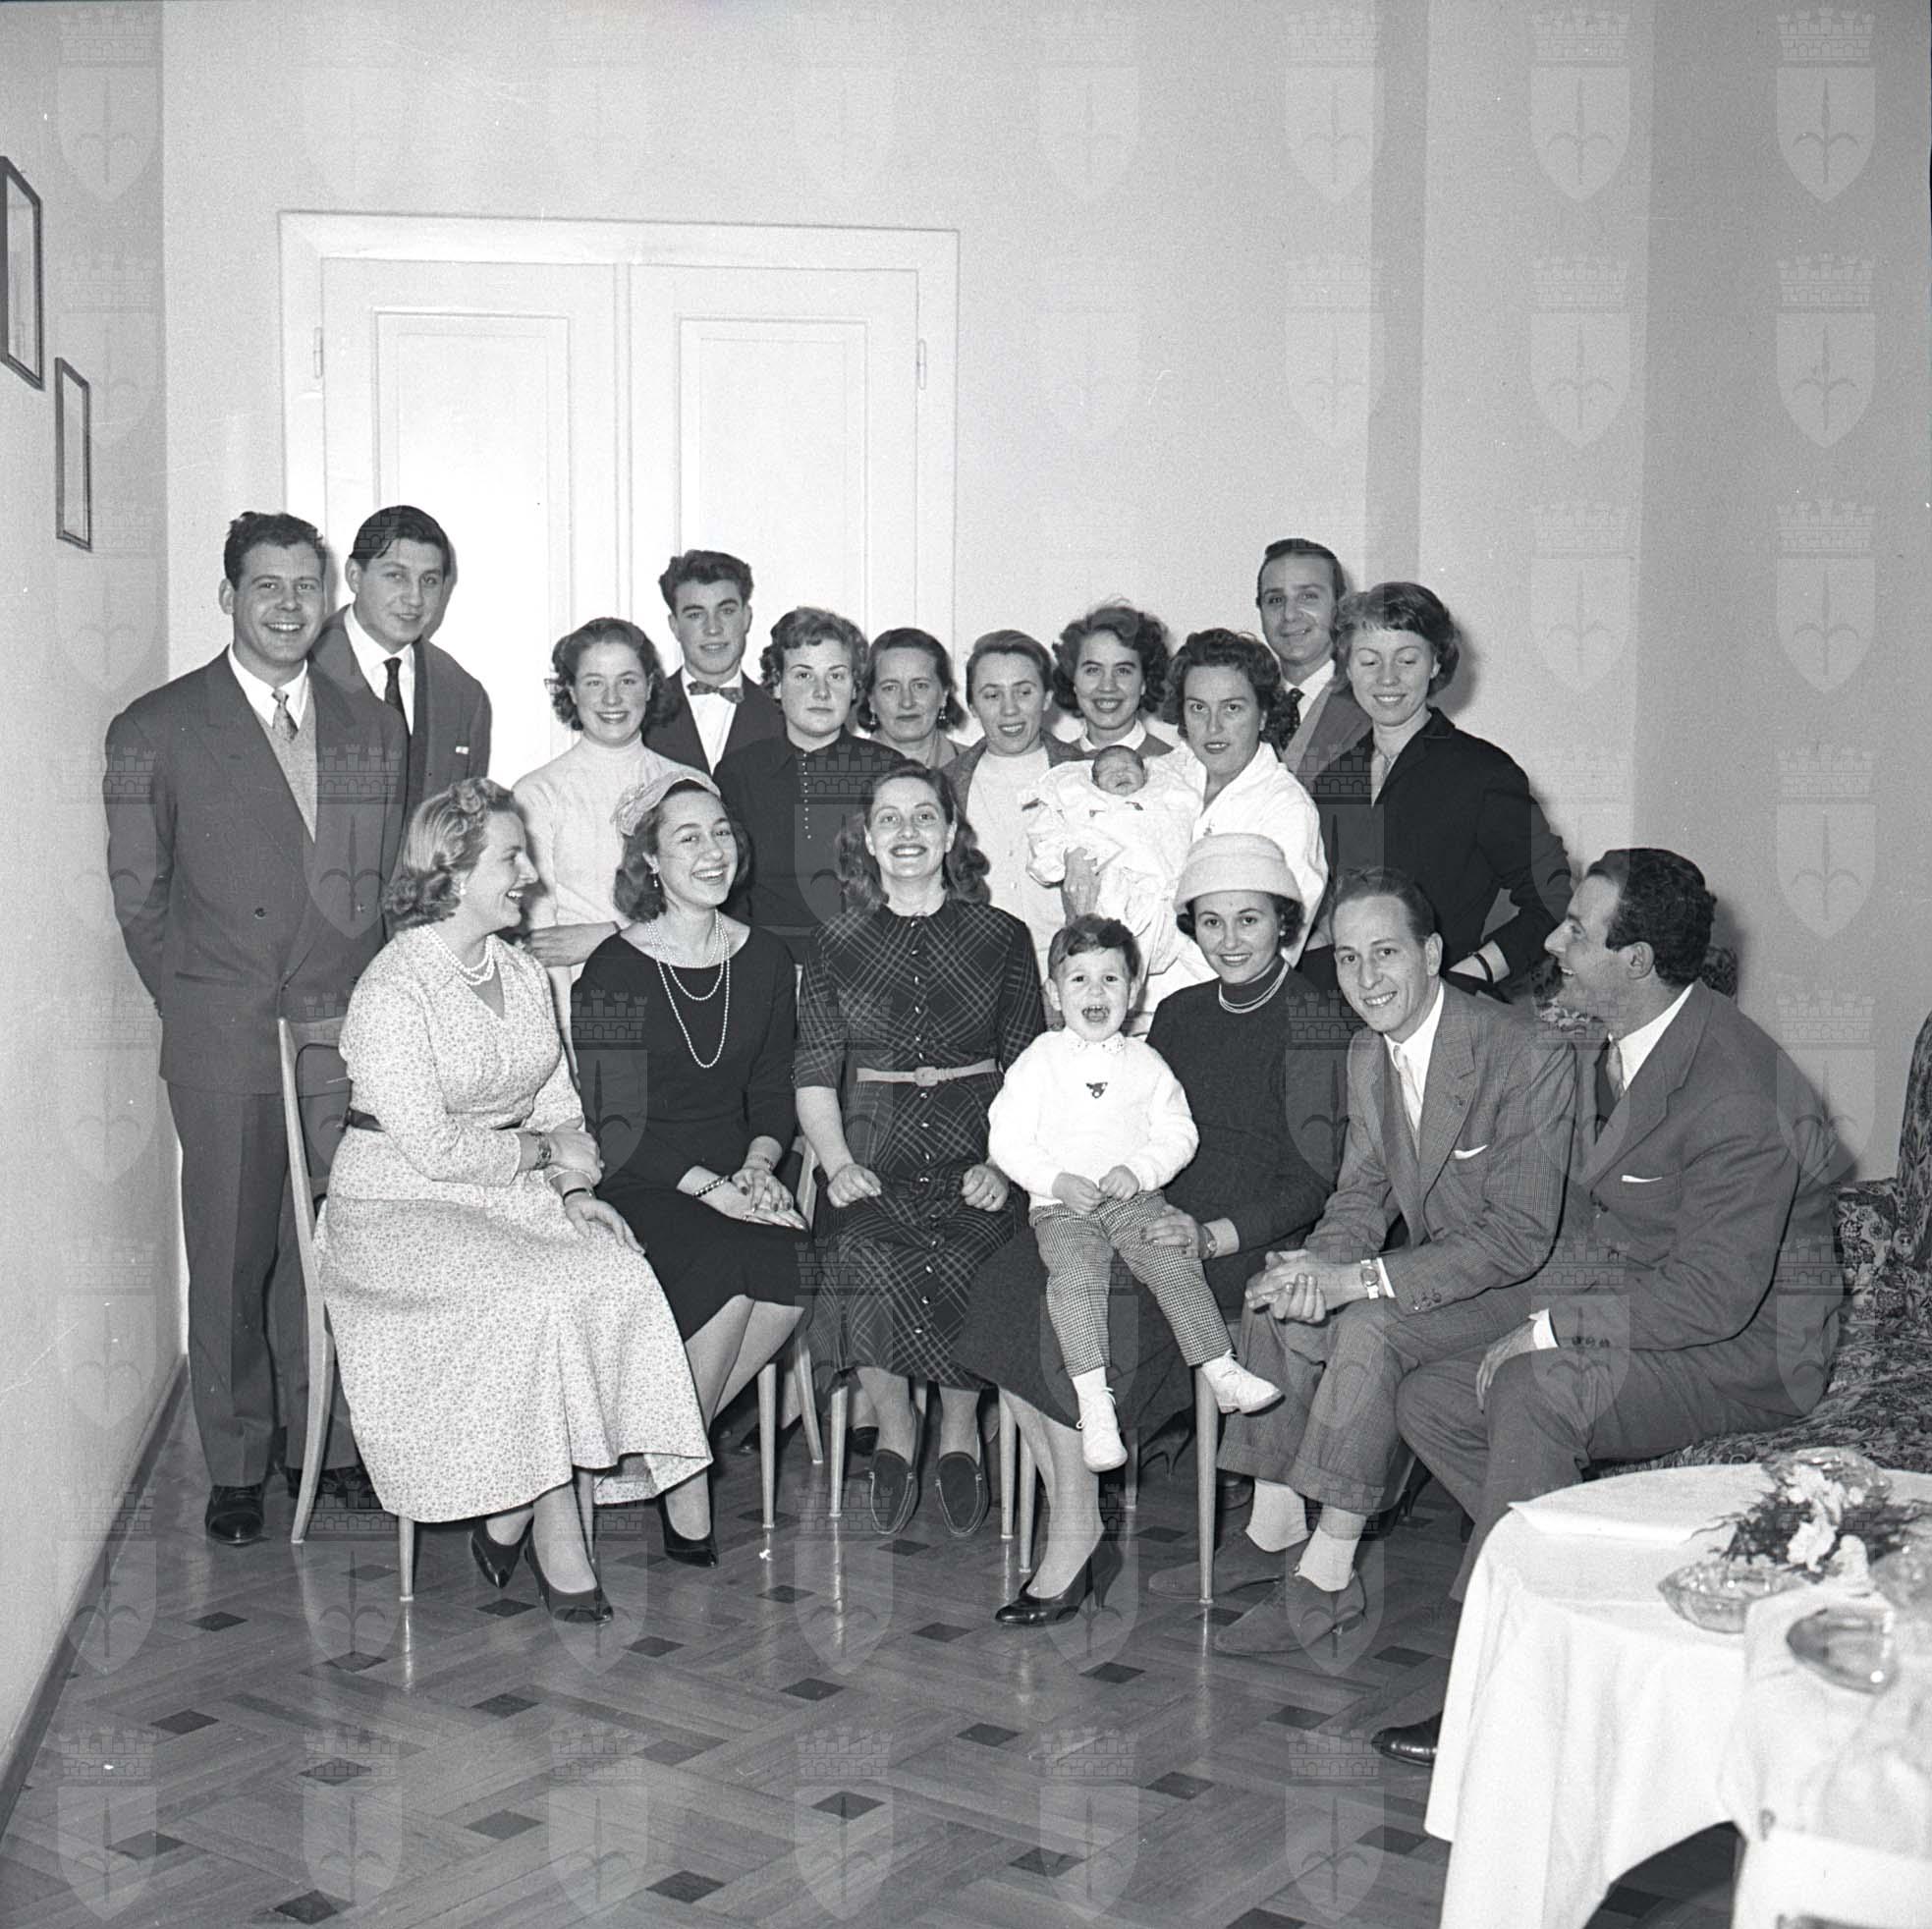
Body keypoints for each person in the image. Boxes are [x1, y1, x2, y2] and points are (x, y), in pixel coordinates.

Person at [1375, 849, 1838, 1764]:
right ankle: (1583, 1606)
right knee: (1429, 1398)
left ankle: (1496, 1689)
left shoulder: (1738, 1090)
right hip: (1646, 1300)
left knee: (1535, 1389)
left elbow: (1712, 1297)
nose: (1551, 943)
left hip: (1749, 1348)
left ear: (1636, 961)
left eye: (1575, 933)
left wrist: (1551, 1327)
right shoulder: (1613, 1034)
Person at [318, 781, 710, 1623]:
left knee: (617, 1272)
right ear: (451, 873)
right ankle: (555, 1528)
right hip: (397, 1204)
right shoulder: (395, 987)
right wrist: (544, 1155)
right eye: (511, 858)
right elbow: (432, 1148)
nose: (530, 874)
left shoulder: (522, 970)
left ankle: (510, 1512)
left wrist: (574, 1190)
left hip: (510, 1193)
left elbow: (558, 1102)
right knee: (531, 1297)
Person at [103, 512, 405, 1546]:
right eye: (266, 585)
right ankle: (237, 1462)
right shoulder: (155, 725)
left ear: (329, 599)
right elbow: (139, 896)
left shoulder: (371, 725)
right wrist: (202, 998)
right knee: (232, 1254)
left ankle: (330, 1443)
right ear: (228, 596)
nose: (287, 605)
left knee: (337, 1242)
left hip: (342, 1033)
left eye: (305, 586)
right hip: (223, 1031)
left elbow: (384, 887)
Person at [955, 833, 1350, 1624]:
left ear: (1284, 921)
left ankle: (1073, 1535)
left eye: (1249, 920)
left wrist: (1210, 1236)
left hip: (1233, 1238)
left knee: (1070, 1311)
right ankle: (1081, 1516)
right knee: (1005, 1283)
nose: (1229, 940)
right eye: (1211, 921)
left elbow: (1313, 1182)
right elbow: (1120, 1114)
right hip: (1136, 1208)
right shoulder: (1180, 1011)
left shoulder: (1314, 1020)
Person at [1206, 868, 1575, 1656]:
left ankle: (1327, 1572)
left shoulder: (1524, 1050)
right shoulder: (1366, 1052)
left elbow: (1517, 1237)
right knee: (1275, 1290)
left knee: (1369, 1326)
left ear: (1431, 953)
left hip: (1535, 1286)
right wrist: (1316, 1267)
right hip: (1449, 1270)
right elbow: (1361, 1194)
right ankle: (1273, 1531)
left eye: (1385, 953)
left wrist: (1360, 1280)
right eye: (1346, 958)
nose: (1364, 977)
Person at [796, 763, 1044, 1538]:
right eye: (889, 819)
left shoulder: (1002, 936)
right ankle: (898, 1425)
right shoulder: (834, 942)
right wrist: (837, 1165)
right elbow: (813, 1075)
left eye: (924, 816)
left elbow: (1030, 1070)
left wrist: (1002, 1165)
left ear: (950, 834)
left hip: (979, 1142)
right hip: (873, 1147)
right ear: (868, 840)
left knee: (977, 1248)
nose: (907, 832)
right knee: (859, 1248)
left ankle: (961, 1430)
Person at [572, 778, 807, 1564]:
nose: (713, 852)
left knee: (794, 1263)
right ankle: (686, 1480)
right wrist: (712, 1191)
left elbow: (773, 1087)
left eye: (721, 833)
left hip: (734, 1170)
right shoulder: (611, 967)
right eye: (688, 838)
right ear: (650, 860)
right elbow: (614, 1123)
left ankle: (671, 1450)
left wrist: (760, 1166)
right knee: (731, 1257)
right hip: (645, 1175)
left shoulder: (766, 956)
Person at [987, 913, 1283, 1472]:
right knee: (1078, 1279)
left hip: (1135, 1202)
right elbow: (1006, 1139)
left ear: (1134, 990)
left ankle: (1219, 1367)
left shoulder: (1147, 1063)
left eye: (1111, 979)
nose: (1095, 993)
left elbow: (1178, 1133)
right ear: (1054, 992)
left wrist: (1140, 1170)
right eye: (1079, 980)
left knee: (1171, 1260)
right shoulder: (1038, 1061)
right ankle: (1094, 1404)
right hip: (1064, 1210)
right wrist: (1055, 1181)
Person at [1301, 581, 1572, 997]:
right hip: (1349, 1007)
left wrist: (1470, 976)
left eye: (1407, 660)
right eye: (1369, 660)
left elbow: (1553, 897)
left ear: (1435, 664)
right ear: (1348, 668)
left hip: (1443, 1008)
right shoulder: (1335, 779)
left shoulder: (1483, 773)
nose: (1387, 678)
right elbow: (1329, 911)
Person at [1120, 628, 1327, 1012]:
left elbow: (1269, 952)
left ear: (1263, 714)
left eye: (1232, 708)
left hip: (1217, 1015)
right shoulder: (1160, 775)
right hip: (1119, 1003)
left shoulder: (1286, 810)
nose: (1213, 727)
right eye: (1198, 708)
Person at [514, 618, 709, 995]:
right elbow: (544, 944)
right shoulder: (537, 794)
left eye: (627, 681)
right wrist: (567, 1025)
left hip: (680, 990)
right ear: (570, 691)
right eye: (594, 683)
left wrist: (613, 935)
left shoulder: (691, 787)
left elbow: (704, 913)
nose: (612, 699)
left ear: (650, 687)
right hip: (579, 998)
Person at [714, 608, 901, 967]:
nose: (821, 691)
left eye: (837, 675)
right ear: (776, 684)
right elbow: (727, 895)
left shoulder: (889, 772)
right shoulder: (739, 774)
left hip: (870, 967)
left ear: (855, 688)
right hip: (763, 968)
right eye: (803, 675)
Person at [311, 504, 490, 825]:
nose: (415, 598)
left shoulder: (464, 695)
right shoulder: (300, 668)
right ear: (354, 575)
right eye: (396, 576)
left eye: (429, 580)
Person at [948, 630, 1084, 976]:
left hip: (1071, 977)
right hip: (977, 978)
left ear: (1047, 697)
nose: (1009, 710)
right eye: (992, 695)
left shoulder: (1084, 774)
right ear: (973, 705)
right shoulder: (945, 785)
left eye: (1024, 692)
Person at [1021, 745, 1198, 983]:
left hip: (1164, 897)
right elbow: (1044, 847)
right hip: (1113, 889)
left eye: (1127, 767)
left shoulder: (1163, 796)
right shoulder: (1086, 803)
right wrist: (1073, 850)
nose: (1119, 773)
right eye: (1108, 771)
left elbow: (1184, 824)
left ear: (1145, 774)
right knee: (1114, 963)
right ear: (1094, 783)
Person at [644, 549, 787, 774]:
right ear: (675, 626)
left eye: (726, 611)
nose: (713, 628)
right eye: (695, 614)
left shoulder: (783, 715)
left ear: (746, 617)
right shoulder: (643, 712)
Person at [1253, 536, 1368, 783]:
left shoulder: (1372, 700)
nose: (1289, 614)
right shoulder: (1247, 700)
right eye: (1275, 600)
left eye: (1308, 596)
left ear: (1340, 604)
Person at [1049, 602, 1181, 757]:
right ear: (1073, 679)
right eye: (1093, 670)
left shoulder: (1174, 766)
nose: (1107, 686)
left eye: (1122, 671)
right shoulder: (1053, 766)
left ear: (1145, 682)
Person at [857, 627, 965, 769]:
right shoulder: (842, 773)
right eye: (890, 688)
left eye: (920, 686)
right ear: (871, 699)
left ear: (944, 694)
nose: (907, 702)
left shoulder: (978, 768)